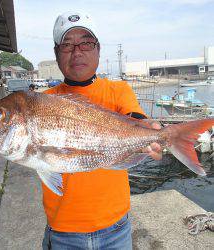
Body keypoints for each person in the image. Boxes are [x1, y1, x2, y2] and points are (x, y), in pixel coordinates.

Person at [42, 11, 162, 250]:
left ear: (98, 49)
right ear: (56, 53)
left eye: (85, 42)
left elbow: (135, 119)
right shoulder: (43, 102)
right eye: (67, 45)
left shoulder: (119, 91)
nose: (77, 51)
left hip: (116, 229)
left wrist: (153, 134)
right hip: (64, 232)